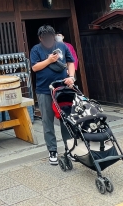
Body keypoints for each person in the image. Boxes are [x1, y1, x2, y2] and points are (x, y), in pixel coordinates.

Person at [31, 25, 75, 165]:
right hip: (44, 90)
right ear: (40, 38)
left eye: (50, 37)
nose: (48, 41)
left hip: (62, 89)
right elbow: (35, 67)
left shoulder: (62, 46)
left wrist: (72, 77)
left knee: (66, 119)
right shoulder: (36, 49)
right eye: (45, 38)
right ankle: (52, 151)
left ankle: (70, 149)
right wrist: (49, 60)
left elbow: (71, 62)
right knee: (47, 121)